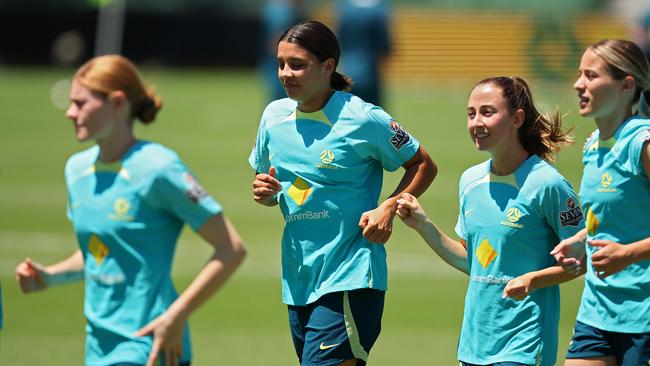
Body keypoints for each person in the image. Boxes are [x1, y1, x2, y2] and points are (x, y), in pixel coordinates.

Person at [15, 55, 246, 366]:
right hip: (97, 348)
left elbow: (231, 248)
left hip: (149, 347)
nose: (70, 112)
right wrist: (50, 277)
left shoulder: (158, 168)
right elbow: (99, 253)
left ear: (118, 104)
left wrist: (176, 317)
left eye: (81, 104)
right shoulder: (76, 170)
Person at [249, 20, 436, 366]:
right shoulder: (273, 117)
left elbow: (423, 164)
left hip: (351, 276)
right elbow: (265, 178)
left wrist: (389, 207)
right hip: (299, 278)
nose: (286, 74)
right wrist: (265, 190)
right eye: (280, 64)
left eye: (298, 64)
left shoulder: (363, 118)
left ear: (328, 66)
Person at [396, 76, 585, 366]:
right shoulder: (470, 180)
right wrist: (424, 226)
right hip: (474, 346)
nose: (476, 123)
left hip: (524, 345)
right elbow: (473, 262)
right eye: (471, 114)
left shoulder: (547, 184)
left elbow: (581, 259)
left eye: (487, 112)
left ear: (516, 118)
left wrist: (533, 280)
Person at [551, 39, 650, 366]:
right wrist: (579, 241)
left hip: (644, 316)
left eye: (591, 76)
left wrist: (628, 254)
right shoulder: (593, 145)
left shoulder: (642, 144)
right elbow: (604, 221)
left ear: (626, 85)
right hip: (598, 311)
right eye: (580, 74)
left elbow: (626, 244)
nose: (579, 84)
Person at [336, 0, 391, 106]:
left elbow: (339, 39)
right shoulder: (378, 9)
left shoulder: (345, 7)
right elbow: (384, 45)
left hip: (349, 70)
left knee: (349, 111)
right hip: (370, 71)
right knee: (374, 113)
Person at [259, 0, 307, 102]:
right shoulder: (281, 10)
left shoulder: (275, 7)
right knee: (282, 100)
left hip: (274, 61)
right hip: (278, 62)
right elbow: (276, 40)